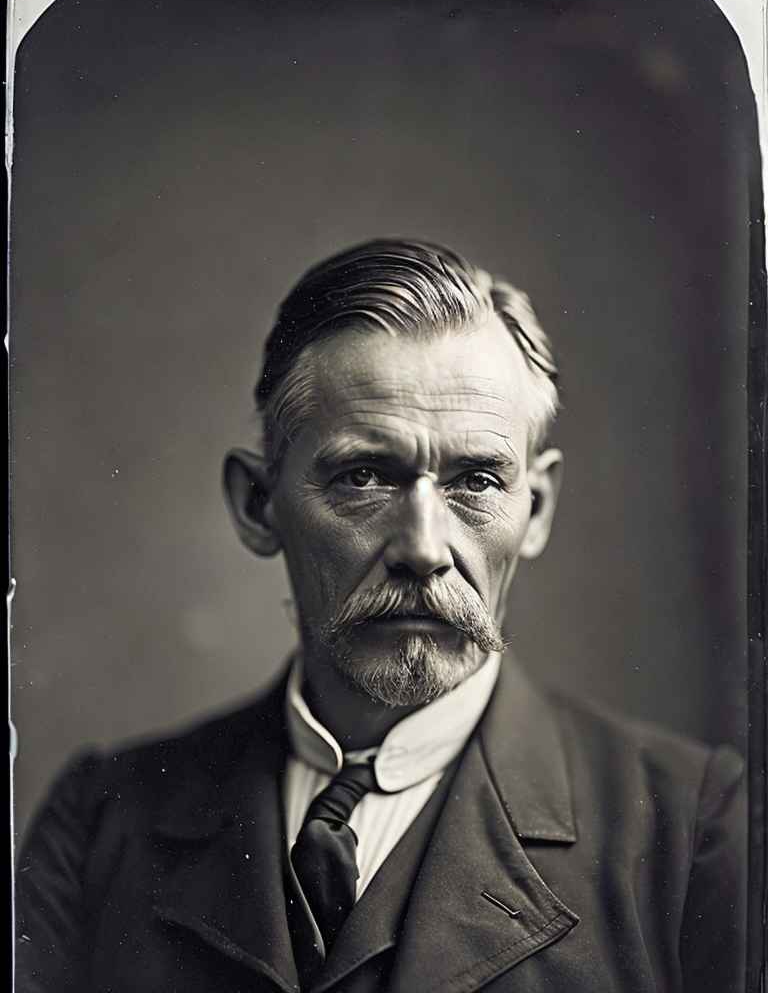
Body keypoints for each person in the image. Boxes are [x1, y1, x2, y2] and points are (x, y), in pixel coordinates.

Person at [15, 239, 745, 993]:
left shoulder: (699, 835)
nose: (424, 549)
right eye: (363, 476)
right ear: (258, 504)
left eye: (477, 480)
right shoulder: (100, 825)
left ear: (536, 508)